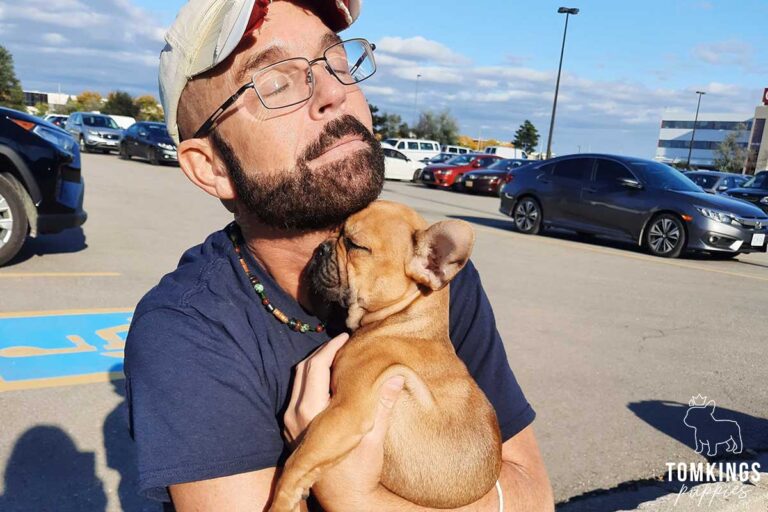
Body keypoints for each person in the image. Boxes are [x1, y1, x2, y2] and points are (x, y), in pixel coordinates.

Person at [124, 0, 554, 510]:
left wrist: (353, 493)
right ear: (211, 167)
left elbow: (533, 496)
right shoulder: (189, 330)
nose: (334, 93)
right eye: (277, 83)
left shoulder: (422, 279)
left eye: (339, 63)